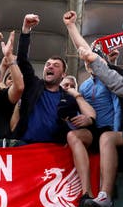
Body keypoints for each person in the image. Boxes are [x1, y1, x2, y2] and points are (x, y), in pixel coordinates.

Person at [63, 11, 122, 207]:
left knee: (107, 137)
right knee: (73, 136)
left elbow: (117, 106)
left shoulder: (110, 78)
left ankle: (105, 195)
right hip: (94, 130)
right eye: (86, 64)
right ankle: (86, 195)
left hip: (112, 131)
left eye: (93, 61)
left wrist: (117, 132)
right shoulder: (86, 86)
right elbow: (83, 110)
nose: (89, 65)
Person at [14, 14, 89, 145]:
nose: (50, 67)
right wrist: (26, 29)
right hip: (25, 146)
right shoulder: (33, 85)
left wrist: (86, 121)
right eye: (48, 64)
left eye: (56, 65)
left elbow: (74, 123)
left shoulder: (68, 99)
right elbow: (22, 59)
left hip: (54, 151)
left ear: (63, 74)